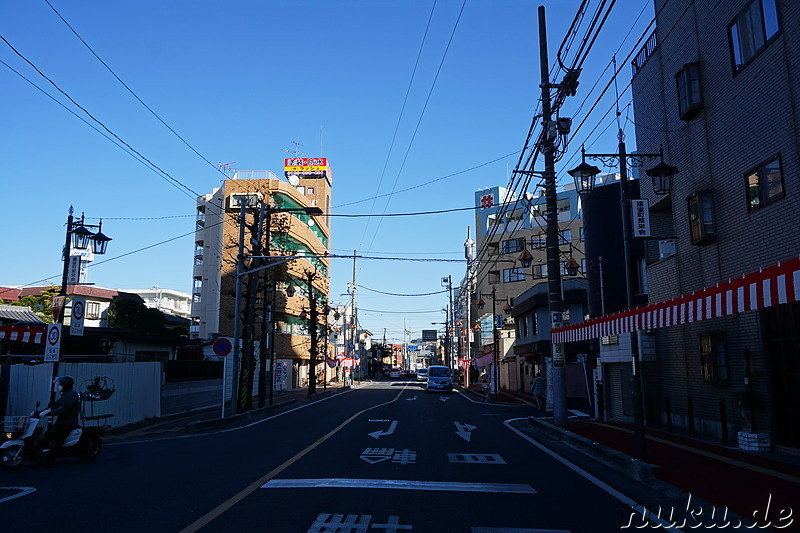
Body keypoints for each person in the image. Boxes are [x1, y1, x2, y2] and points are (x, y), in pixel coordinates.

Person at [40, 376, 81, 460]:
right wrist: (41, 412)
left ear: (67, 385)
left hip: (69, 422)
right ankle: (41, 452)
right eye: (60, 384)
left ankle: (52, 456)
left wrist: (52, 413)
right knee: (47, 434)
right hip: (61, 421)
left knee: (56, 435)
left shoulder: (72, 394)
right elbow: (55, 405)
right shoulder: (65, 395)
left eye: (61, 384)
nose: (59, 386)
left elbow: (64, 408)